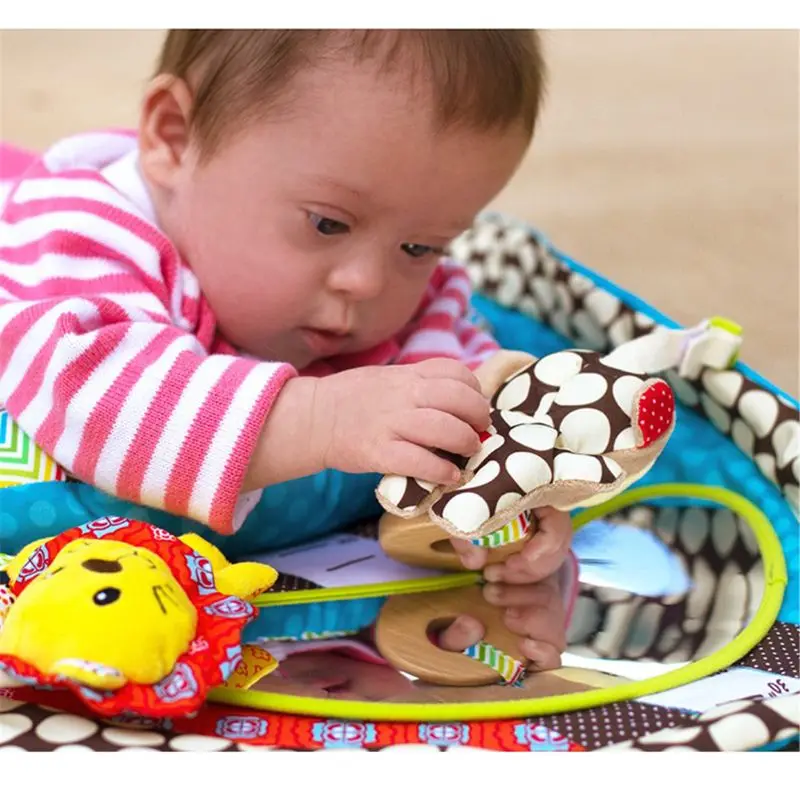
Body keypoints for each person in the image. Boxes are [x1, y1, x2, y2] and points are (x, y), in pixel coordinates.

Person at [0, 30, 572, 668]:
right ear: (175, 138)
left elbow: (460, 376)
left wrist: (514, 482)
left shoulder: (399, 286)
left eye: (421, 247)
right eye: (328, 223)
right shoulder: (79, 233)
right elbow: (93, 394)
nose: (368, 282)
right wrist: (320, 419)